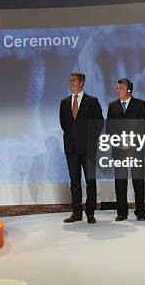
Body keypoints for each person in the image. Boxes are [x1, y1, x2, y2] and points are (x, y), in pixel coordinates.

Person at [59, 72, 104, 224]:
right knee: (75, 181)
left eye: (73, 80)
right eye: (69, 80)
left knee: (90, 181)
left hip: (88, 148)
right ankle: (76, 212)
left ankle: (90, 212)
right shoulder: (64, 102)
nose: (70, 83)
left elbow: (99, 124)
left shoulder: (92, 101)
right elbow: (64, 124)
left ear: (82, 83)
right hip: (71, 148)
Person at [106, 78, 145, 221]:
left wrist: (131, 140)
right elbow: (110, 129)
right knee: (120, 182)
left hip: (136, 149)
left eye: (121, 88)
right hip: (119, 150)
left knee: (138, 181)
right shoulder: (112, 106)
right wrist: (120, 142)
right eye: (117, 88)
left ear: (129, 90)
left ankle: (140, 212)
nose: (117, 90)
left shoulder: (140, 104)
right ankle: (121, 213)